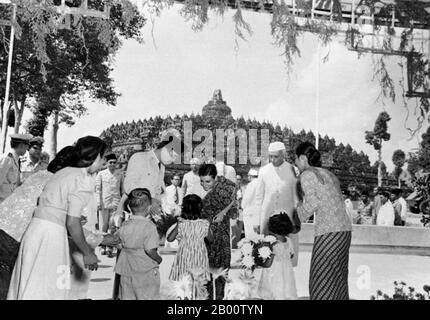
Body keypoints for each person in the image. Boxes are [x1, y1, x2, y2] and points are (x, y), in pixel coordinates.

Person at [7, 136, 108, 300]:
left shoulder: (64, 172)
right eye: (102, 157)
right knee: (47, 289)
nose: (103, 162)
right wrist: (87, 252)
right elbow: (73, 222)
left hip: (35, 231)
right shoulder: (83, 178)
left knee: (31, 284)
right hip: (51, 235)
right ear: (94, 155)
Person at [295, 142, 352, 300]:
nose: (297, 165)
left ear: (302, 158)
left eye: (296, 161)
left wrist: (295, 218)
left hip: (328, 232)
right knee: (338, 280)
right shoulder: (329, 174)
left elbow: (312, 204)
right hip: (345, 231)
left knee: (320, 279)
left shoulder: (307, 174)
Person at [254, 141, 299, 267]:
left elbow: (297, 197)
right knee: (265, 253)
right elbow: (259, 197)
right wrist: (257, 221)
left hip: (287, 218)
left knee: (287, 253)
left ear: (283, 154)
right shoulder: (263, 171)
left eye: (276, 156)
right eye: (271, 156)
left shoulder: (293, 170)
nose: (273, 159)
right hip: (267, 216)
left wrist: (296, 219)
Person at [113, 188, 162, 300]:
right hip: (145, 270)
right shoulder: (149, 227)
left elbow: (117, 243)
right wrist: (158, 259)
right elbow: (150, 250)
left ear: (129, 207)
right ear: (149, 207)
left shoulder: (125, 224)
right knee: (147, 295)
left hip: (126, 268)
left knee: (127, 295)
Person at [199, 164, 238, 300]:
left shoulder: (226, 187)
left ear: (216, 178)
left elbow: (233, 206)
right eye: (202, 181)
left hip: (221, 235)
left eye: (208, 181)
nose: (204, 185)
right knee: (206, 273)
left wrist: (224, 212)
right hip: (206, 235)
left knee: (221, 272)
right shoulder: (215, 190)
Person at [167, 194, 210, 281]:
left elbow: (170, 239)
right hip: (199, 256)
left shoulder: (181, 224)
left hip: (184, 255)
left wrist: (177, 225)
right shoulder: (204, 224)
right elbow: (211, 239)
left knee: (183, 283)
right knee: (198, 284)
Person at [257, 213, 297, 300]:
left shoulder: (271, 242)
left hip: (274, 270)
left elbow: (266, 259)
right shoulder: (289, 241)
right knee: (286, 288)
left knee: (273, 286)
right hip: (286, 269)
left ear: (272, 229)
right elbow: (291, 255)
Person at [95, 153, 124, 256]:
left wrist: (122, 203)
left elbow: (122, 189)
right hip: (104, 202)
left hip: (116, 202)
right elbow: (98, 189)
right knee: (104, 225)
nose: (112, 164)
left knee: (113, 225)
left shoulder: (119, 174)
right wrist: (98, 202)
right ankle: (103, 245)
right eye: (110, 162)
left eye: (114, 162)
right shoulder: (101, 174)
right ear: (107, 163)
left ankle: (110, 247)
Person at [0, 133, 32, 203]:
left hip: (7, 199)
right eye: (26, 146)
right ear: (21, 146)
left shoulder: (15, 159)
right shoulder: (8, 158)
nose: (27, 149)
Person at [241, 168, 259, 237]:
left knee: (250, 235)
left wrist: (242, 206)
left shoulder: (251, 185)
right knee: (258, 235)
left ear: (250, 176)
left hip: (250, 213)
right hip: (259, 213)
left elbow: (246, 199)